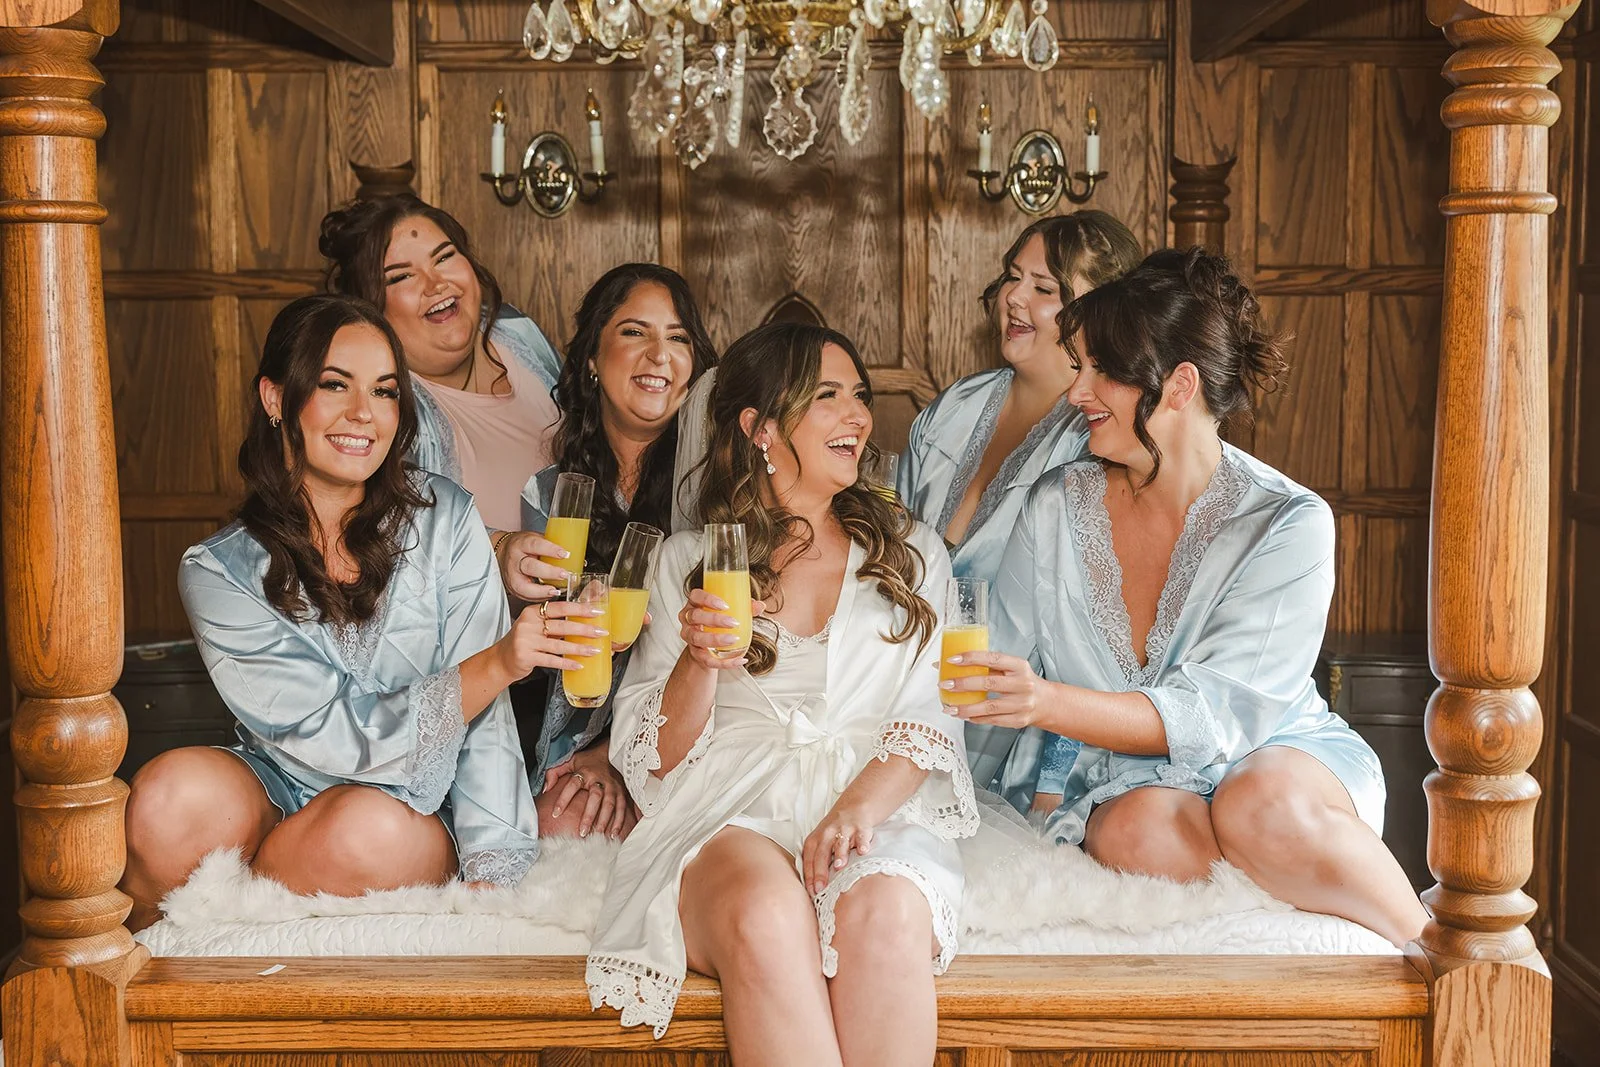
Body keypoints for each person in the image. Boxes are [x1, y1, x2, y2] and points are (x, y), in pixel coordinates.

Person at [944, 249, 1428, 947]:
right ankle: (1291, 898)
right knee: (1129, 829)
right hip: (1133, 783)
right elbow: (989, 657)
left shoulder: (1287, 521)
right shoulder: (1053, 508)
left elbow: (1214, 714)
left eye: (1101, 371)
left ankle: (1434, 949)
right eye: (1078, 367)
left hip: (1275, 756)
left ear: (1179, 385)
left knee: (1254, 803)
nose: (1077, 392)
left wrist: (1046, 701)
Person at [120, 295, 604, 931]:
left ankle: (237, 914)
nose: (363, 415)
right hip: (284, 784)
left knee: (363, 831)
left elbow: (485, 726)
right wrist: (499, 662)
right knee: (164, 800)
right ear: (274, 398)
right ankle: (123, 995)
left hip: (409, 810)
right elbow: (324, 729)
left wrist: (493, 865)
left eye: (384, 391)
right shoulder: (218, 570)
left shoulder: (449, 520)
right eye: (333, 385)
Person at [586, 323, 977, 1064]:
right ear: (760, 428)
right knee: (767, 913)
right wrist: (699, 661)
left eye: (859, 395)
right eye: (827, 396)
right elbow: (653, 763)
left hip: (874, 802)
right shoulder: (689, 561)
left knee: (888, 914)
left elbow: (934, 712)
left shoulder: (912, 551)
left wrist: (854, 810)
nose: (857, 415)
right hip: (727, 806)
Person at [896, 211, 1142, 790]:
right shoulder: (955, 406)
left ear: (1100, 310)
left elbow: (1097, 641)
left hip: (1017, 738)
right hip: (903, 694)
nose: (1014, 298)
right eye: (1012, 277)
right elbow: (888, 547)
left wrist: (1056, 779)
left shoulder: (1100, 437)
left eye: (1044, 288)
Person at [519, 263, 717, 839]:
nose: (660, 355)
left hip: (697, 732)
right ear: (591, 360)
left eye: (678, 338)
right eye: (635, 332)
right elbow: (546, 650)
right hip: (577, 729)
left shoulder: (716, 494)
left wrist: (615, 753)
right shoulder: (552, 493)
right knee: (556, 824)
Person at [319, 195, 572, 603]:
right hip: (485, 651)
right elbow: (390, 530)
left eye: (444, 257)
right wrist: (499, 547)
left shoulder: (518, 333)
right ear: (371, 309)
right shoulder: (381, 406)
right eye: (401, 277)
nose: (437, 285)